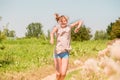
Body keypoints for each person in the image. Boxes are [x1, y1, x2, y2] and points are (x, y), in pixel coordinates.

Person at [50, 13, 83, 80]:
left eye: (65, 21)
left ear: (67, 21)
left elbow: (80, 21)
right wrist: (52, 39)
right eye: (62, 21)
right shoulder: (57, 27)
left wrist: (78, 27)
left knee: (63, 74)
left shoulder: (69, 26)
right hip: (57, 53)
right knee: (58, 74)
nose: (63, 22)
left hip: (65, 53)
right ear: (59, 22)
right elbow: (52, 33)